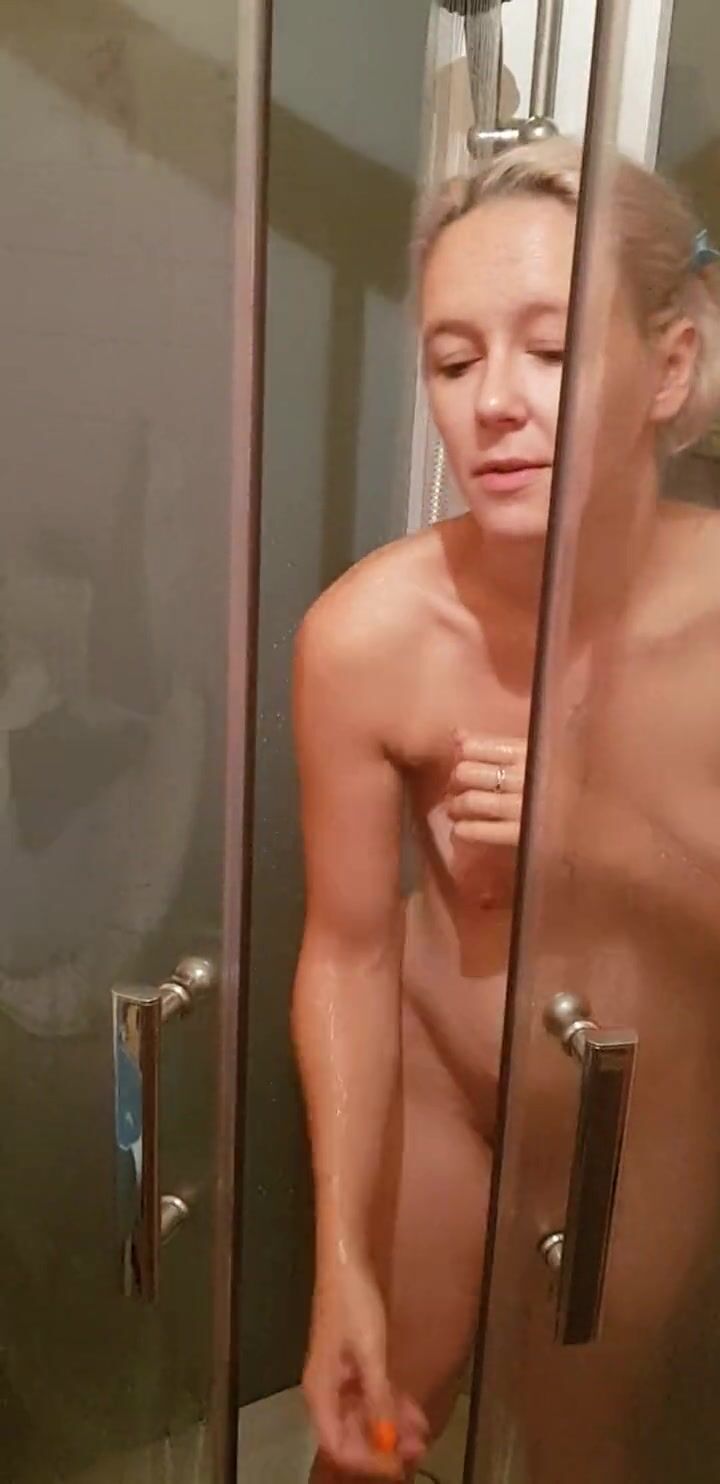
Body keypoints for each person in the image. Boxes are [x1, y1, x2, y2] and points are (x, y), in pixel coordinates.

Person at [291, 136, 720, 1482]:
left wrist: (598, 837)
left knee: (584, 1452)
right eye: (454, 359)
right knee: (363, 1434)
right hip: (440, 1086)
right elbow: (347, 950)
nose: (494, 405)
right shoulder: (370, 636)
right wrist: (339, 1260)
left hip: (638, 1119)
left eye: (549, 350)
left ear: (669, 368)